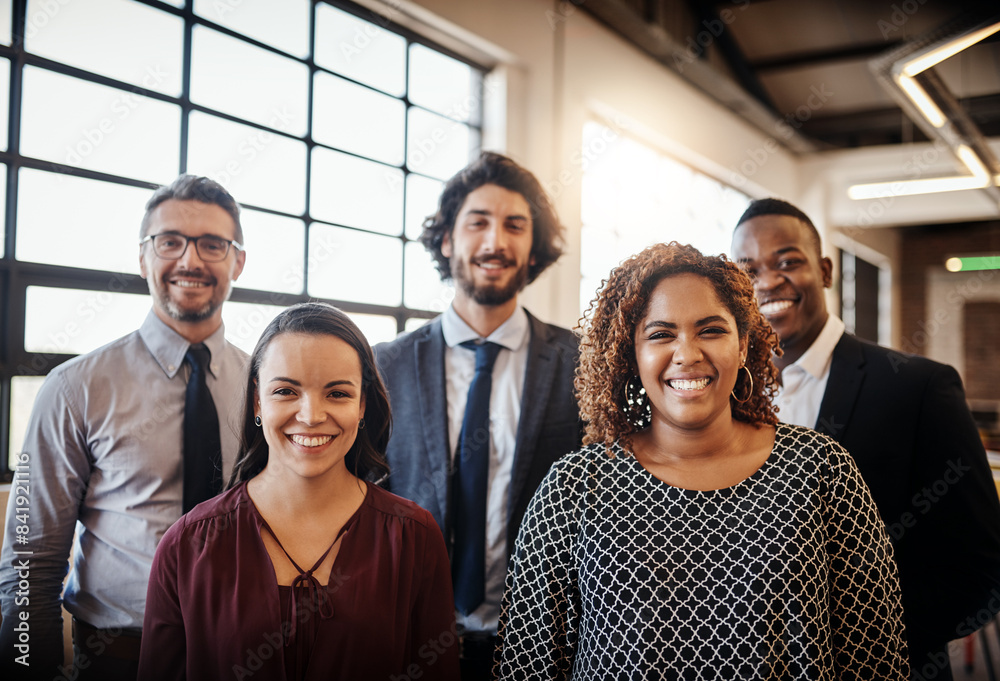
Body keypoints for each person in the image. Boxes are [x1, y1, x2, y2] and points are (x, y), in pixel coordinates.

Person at [495, 242, 909, 679]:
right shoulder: (575, 487)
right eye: (660, 334)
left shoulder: (820, 469)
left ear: (743, 343)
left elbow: (876, 656)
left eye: (711, 330)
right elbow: (527, 664)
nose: (688, 354)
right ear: (630, 356)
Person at [731, 198, 1000, 680]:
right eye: (748, 270)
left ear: (825, 271)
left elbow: (978, 569)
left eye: (787, 261)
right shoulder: (726, 398)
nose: (767, 282)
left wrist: (862, 647)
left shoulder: (916, 387)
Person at [0, 175, 249, 681]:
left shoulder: (267, 385)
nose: (190, 260)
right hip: (116, 657)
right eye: (170, 241)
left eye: (212, 244)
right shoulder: (73, 387)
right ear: (142, 257)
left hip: (244, 650)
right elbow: (28, 561)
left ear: (238, 262)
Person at [138, 302, 460, 680]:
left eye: (337, 394)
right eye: (286, 391)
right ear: (258, 400)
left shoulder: (414, 537)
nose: (311, 416)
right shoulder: (188, 544)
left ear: (362, 405)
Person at [374, 151, 582, 679]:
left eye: (515, 225)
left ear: (533, 247)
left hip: (542, 649)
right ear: (447, 239)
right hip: (409, 643)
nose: (496, 242)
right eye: (478, 222)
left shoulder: (581, 365)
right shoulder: (385, 365)